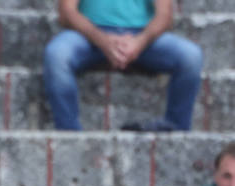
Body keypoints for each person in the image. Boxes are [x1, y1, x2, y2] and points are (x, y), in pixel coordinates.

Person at [43, 0, 203, 133]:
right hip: (88, 35)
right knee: (56, 55)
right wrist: (103, 40)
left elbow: (165, 16)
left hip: (142, 36)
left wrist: (139, 42)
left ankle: (175, 128)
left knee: (191, 56)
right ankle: (70, 133)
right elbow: (66, 13)